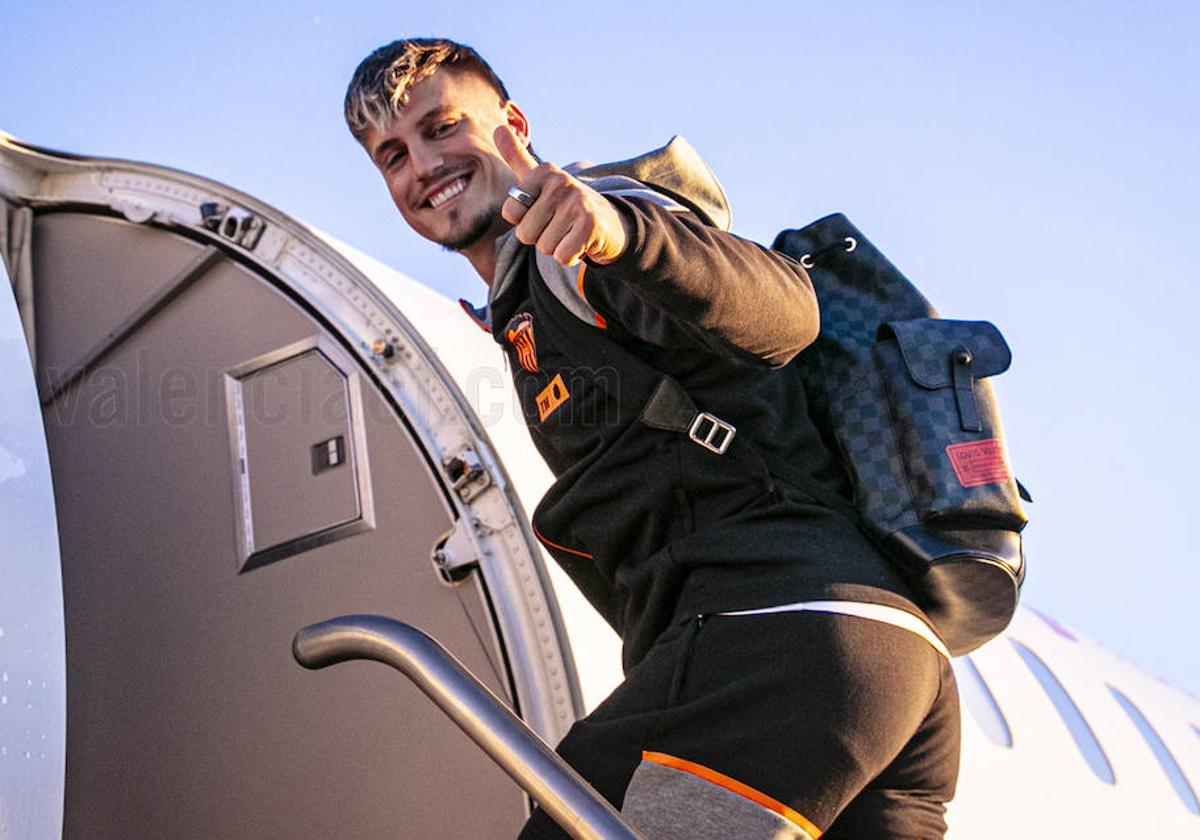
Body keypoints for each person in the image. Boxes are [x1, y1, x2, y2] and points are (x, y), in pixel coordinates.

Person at [344, 38, 960, 840]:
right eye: (392, 154)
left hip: (776, 638)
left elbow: (786, 313)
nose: (422, 165)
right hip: (885, 672)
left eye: (443, 126)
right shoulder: (522, 303)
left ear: (513, 123)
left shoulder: (589, 234)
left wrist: (622, 236)